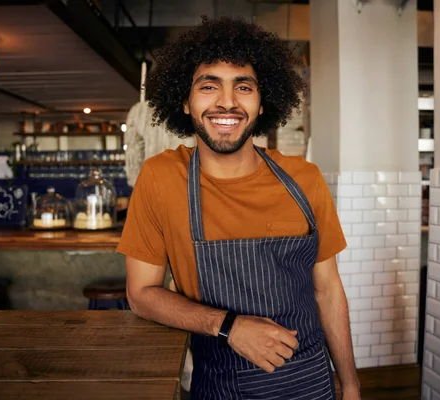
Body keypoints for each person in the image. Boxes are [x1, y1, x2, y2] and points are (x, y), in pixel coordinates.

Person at [117, 16, 360, 400]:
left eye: (243, 87)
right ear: (185, 100)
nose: (227, 102)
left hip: (311, 384)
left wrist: (350, 385)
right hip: (222, 387)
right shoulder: (161, 178)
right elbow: (142, 294)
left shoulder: (304, 179)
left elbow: (328, 290)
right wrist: (229, 326)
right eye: (209, 86)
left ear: (264, 102)